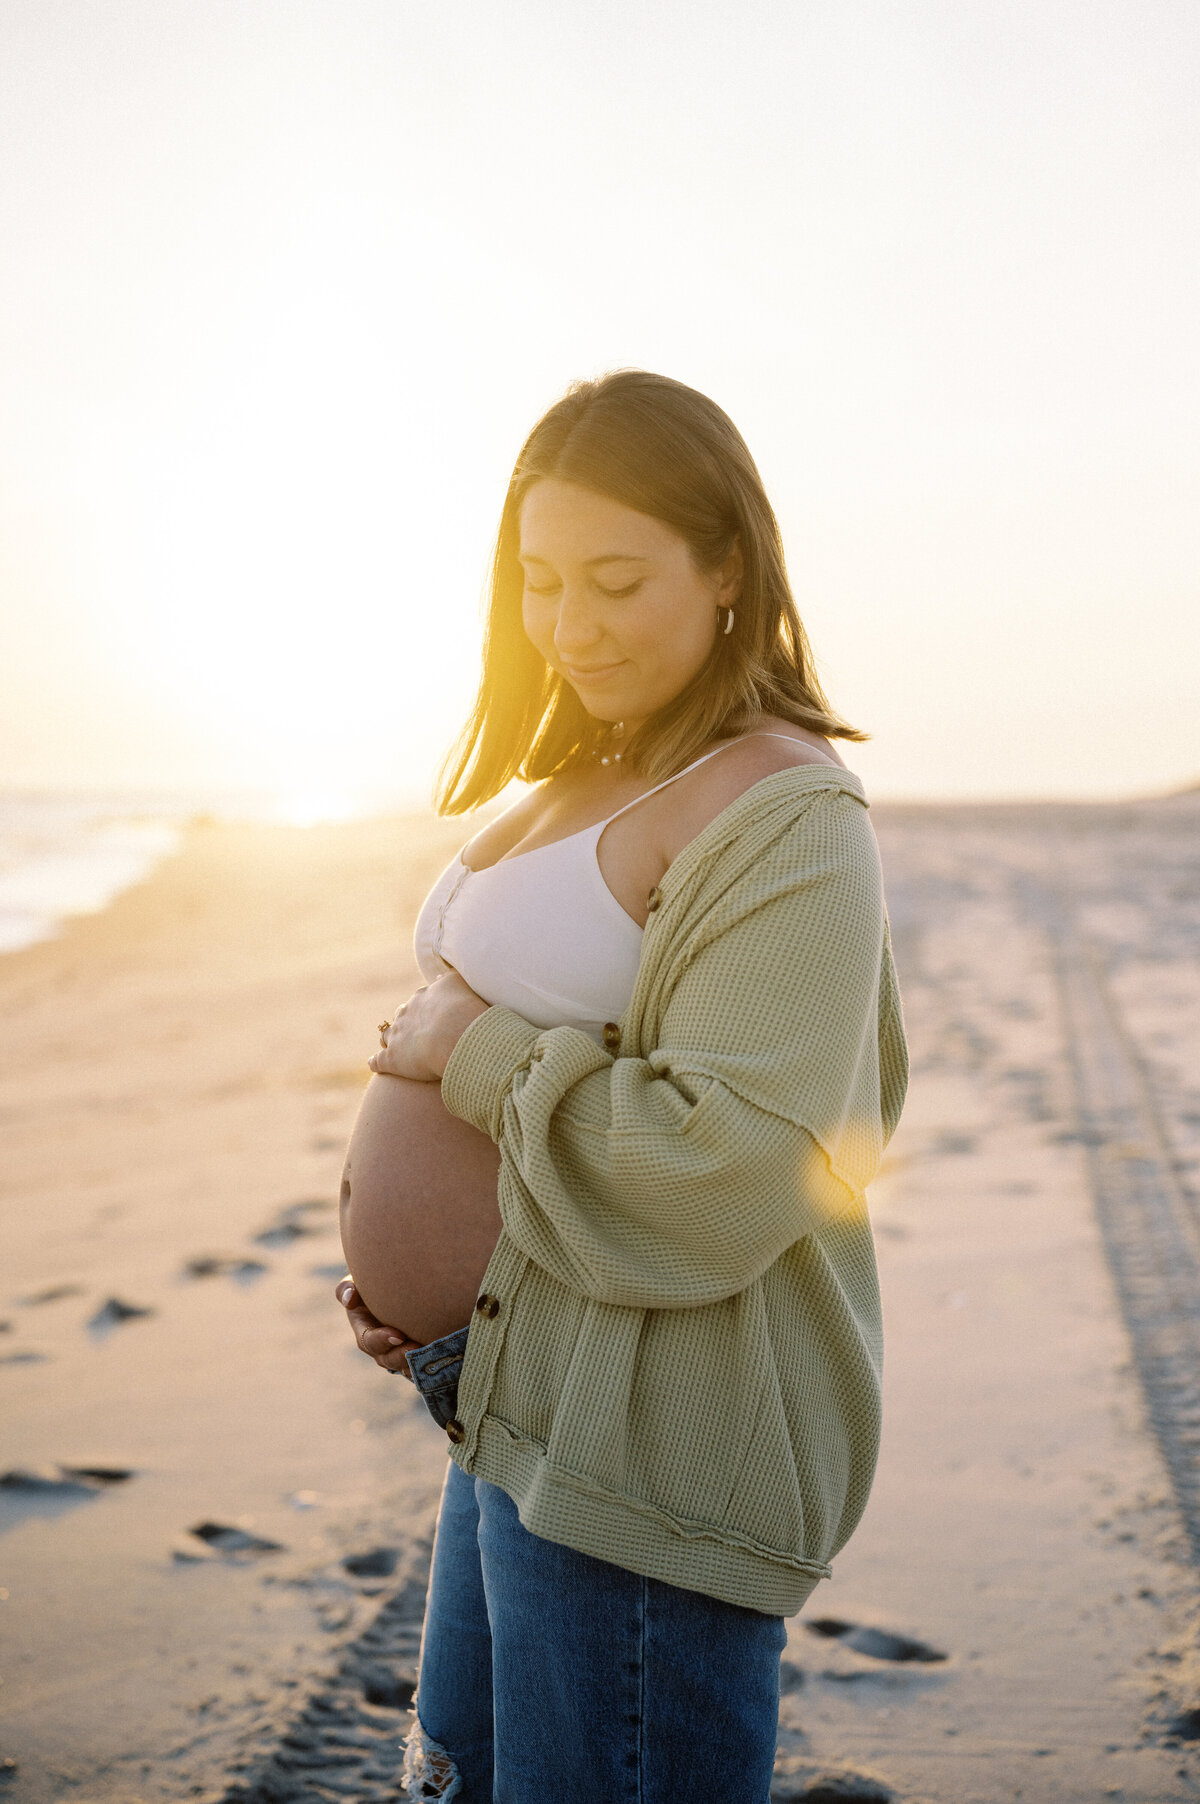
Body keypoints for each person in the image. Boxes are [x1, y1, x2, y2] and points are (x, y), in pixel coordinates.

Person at [334, 369, 908, 1803]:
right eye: (538, 582)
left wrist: (466, 1057)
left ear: (726, 566)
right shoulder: (584, 770)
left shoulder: (785, 814)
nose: (569, 625)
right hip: (512, 1392)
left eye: (613, 580)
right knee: (463, 1782)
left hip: (650, 1430)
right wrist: (434, 1293)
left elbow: (733, 1168)